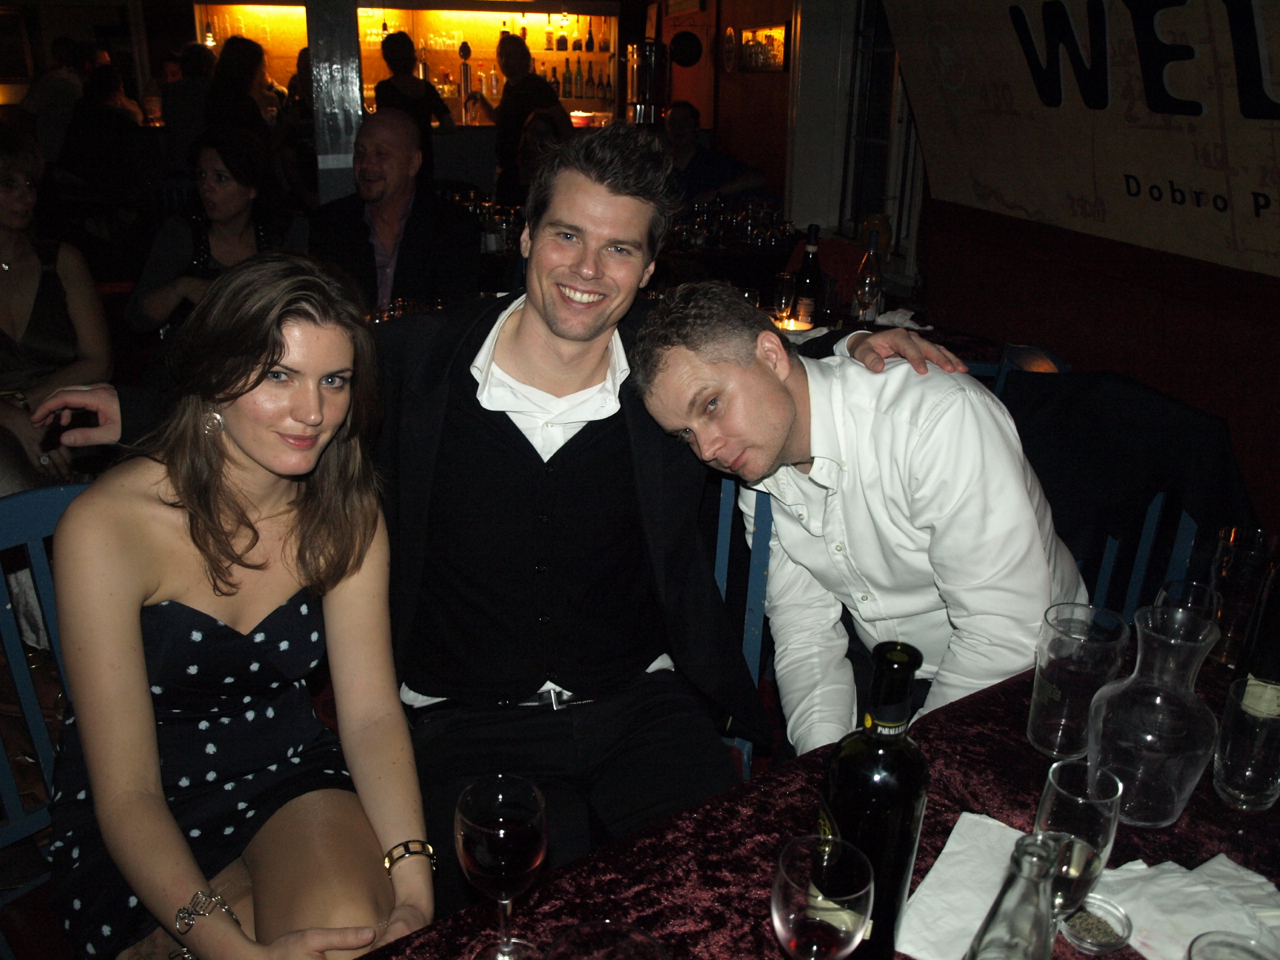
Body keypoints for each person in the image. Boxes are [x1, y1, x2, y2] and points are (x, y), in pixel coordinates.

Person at [35, 124, 959, 921]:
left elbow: (767, 364)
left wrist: (855, 346)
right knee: (524, 925)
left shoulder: (668, 386)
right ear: (524, 235)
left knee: (728, 897)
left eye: (620, 250)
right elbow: (282, 380)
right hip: (464, 725)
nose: (588, 271)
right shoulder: (420, 365)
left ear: (648, 270)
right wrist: (138, 405)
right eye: (567, 235)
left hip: (641, 709)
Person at [48, 253, 433, 959]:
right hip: (146, 805)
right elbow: (128, 794)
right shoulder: (107, 527)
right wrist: (234, 952)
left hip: (287, 772)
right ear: (215, 376)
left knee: (348, 928)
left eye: (334, 380)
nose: (312, 412)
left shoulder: (344, 512)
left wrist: (415, 885)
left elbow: (372, 716)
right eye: (279, 376)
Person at [631, 281, 1089, 756]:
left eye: (711, 405)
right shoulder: (762, 472)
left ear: (770, 355)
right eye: (686, 434)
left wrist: (902, 766)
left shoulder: (935, 423)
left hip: (1036, 683)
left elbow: (1005, 634)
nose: (707, 450)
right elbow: (805, 629)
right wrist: (823, 759)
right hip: (892, 673)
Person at [0, 126, 111, 489]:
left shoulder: (62, 260)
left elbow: (98, 360)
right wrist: (8, 417)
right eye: (8, 185)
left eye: (30, 185)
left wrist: (24, 406)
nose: (25, 197)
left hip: (66, 412)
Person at [128, 125, 306, 344]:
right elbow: (137, 318)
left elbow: (303, 305)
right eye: (201, 175)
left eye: (220, 178)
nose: (206, 187)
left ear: (251, 188)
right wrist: (182, 287)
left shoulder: (281, 233)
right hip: (193, 358)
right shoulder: (183, 234)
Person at [308, 108, 479, 314]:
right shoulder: (331, 224)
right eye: (360, 152)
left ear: (413, 164)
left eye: (380, 154)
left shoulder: (451, 227)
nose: (366, 164)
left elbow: (458, 314)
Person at [466, 35, 566, 205]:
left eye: (510, 54)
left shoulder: (537, 87)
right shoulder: (510, 86)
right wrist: (481, 98)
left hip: (528, 176)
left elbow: (562, 123)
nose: (504, 60)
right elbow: (500, 118)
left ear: (524, 57)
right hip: (511, 171)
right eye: (501, 55)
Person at [374, 31, 454, 183]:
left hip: (396, 157)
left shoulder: (385, 89)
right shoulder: (427, 89)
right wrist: (425, 130)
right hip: (424, 158)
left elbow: (383, 126)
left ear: (389, 59)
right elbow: (449, 124)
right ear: (412, 57)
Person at [664, 101, 765, 208]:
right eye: (672, 123)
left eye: (684, 122)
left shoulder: (713, 162)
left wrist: (714, 193)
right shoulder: (660, 166)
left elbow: (757, 179)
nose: (678, 128)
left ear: (696, 127)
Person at [206, 36, 273, 144]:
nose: (263, 73)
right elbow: (265, 143)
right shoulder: (245, 106)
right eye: (261, 67)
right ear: (251, 71)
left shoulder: (212, 99)